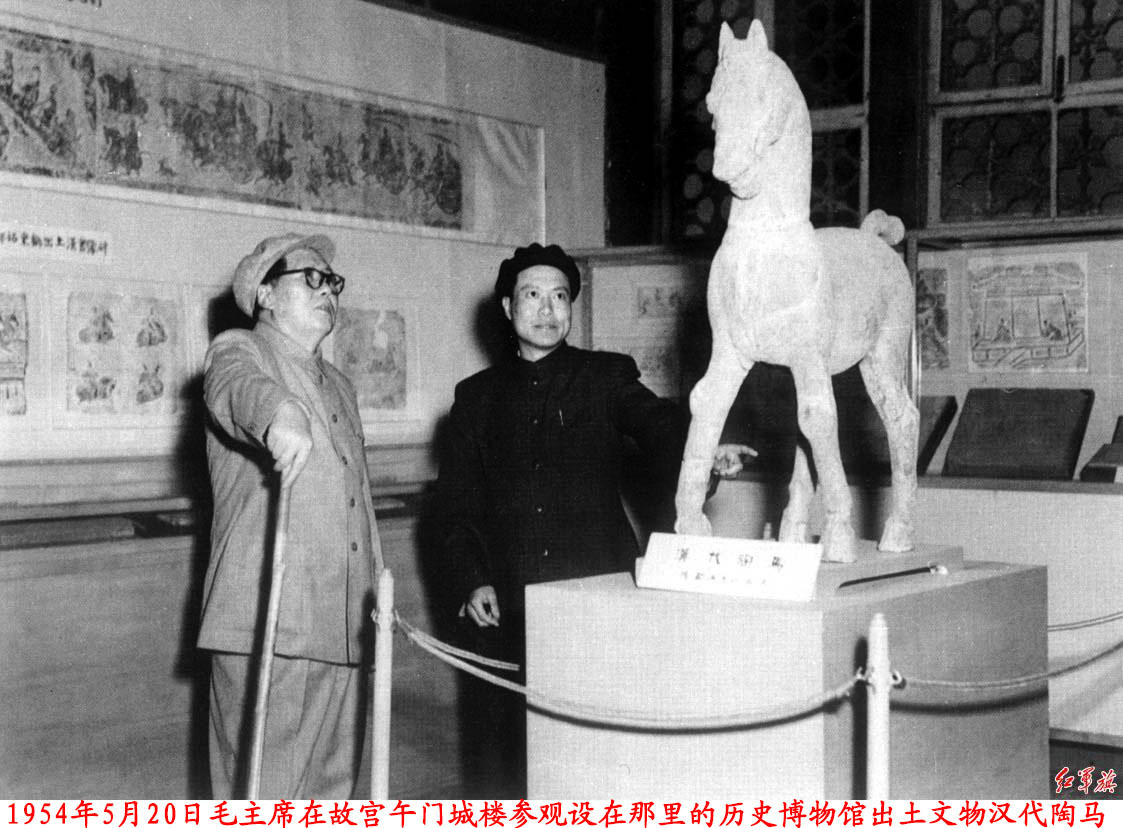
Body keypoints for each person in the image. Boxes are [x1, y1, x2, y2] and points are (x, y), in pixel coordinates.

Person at [438, 242, 751, 796]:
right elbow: (456, 503)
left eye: (560, 296)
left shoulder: (604, 377)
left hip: (599, 599)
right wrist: (470, 578)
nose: (547, 309)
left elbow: (661, 426)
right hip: (508, 605)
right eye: (532, 295)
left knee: (601, 756)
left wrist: (705, 451)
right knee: (511, 758)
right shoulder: (475, 399)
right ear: (508, 308)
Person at [199, 232, 383, 798]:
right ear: (265, 295)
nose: (328, 291)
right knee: (265, 797)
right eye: (311, 278)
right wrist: (280, 411)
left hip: (345, 626)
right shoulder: (241, 349)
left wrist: (377, 605)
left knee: (333, 798)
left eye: (333, 282)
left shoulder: (340, 386)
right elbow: (235, 386)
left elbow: (358, 501)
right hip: (271, 625)